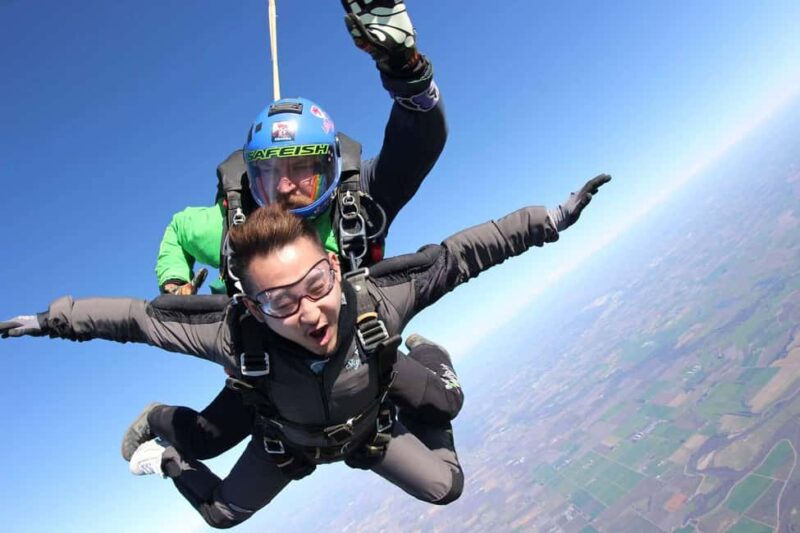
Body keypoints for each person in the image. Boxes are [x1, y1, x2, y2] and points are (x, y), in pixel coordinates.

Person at [0, 174, 611, 528]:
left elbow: (460, 255)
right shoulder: (232, 333)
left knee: (445, 468)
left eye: (318, 286)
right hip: (288, 444)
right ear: (253, 307)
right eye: (281, 303)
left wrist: (548, 219)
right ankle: (163, 442)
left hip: (371, 424)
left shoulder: (375, 299)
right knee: (221, 514)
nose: (310, 311)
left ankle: (413, 361)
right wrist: (49, 321)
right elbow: (137, 319)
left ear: (333, 269)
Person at [143, 0, 459, 465]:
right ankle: (155, 418)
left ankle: (425, 353)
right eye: (272, 174)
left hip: (357, 341)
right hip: (273, 359)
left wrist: (404, 66)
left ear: (330, 166)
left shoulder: (358, 202)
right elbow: (178, 230)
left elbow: (419, 142)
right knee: (207, 440)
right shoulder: (236, 231)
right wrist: (173, 279)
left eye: (305, 168)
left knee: (439, 405)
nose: (287, 188)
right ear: (252, 179)